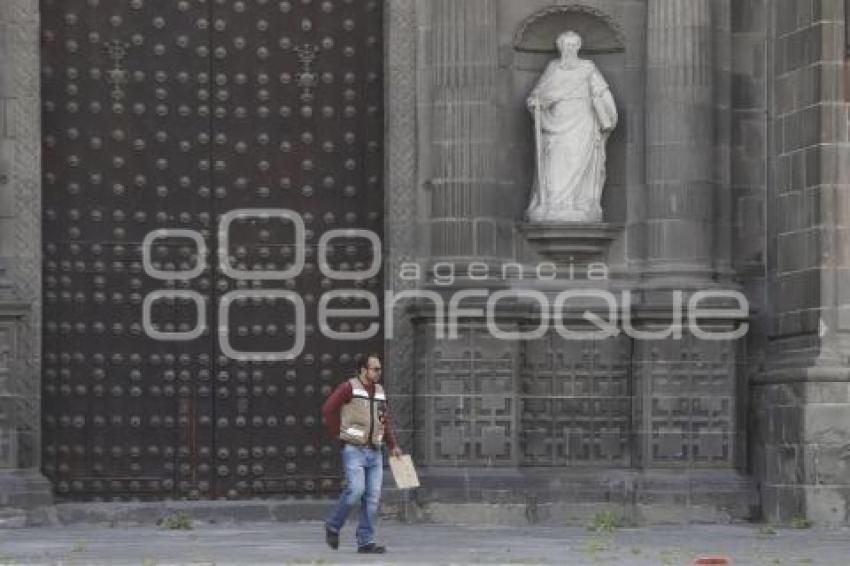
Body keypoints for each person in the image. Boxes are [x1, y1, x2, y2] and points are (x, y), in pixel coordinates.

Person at [526, 30, 618, 223]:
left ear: (578, 47)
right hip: (556, 123)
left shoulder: (587, 68)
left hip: (582, 121)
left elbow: (601, 92)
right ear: (560, 48)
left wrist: (609, 114)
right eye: (566, 45)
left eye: (573, 45)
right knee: (555, 163)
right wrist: (535, 103)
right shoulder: (553, 68)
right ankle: (554, 205)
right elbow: (537, 94)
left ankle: (580, 203)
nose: (570, 48)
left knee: (578, 159)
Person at [321, 354, 402, 554]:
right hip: (354, 449)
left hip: (375, 451)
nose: (379, 372)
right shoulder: (349, 387)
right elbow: (328, 410)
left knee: (372, 497)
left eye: (380, 369)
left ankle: (365, 541)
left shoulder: (381, 391)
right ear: (363, 370)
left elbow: (384, 420)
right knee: (356, 490)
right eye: (375, 369)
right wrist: (339, 434)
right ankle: (333, 525)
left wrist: (393, 445)